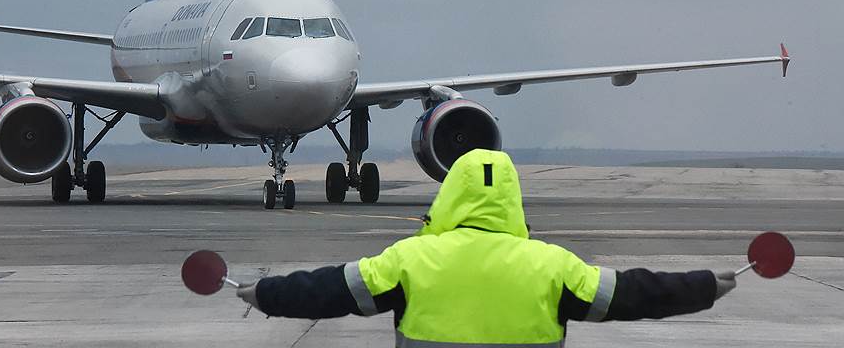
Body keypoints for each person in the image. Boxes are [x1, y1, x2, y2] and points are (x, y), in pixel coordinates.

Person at [237, 148, 737, 347]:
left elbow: (326, 291)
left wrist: (263, 293)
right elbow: (636, 294)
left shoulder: (411, 260)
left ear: (450, 194)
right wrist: (705, 286)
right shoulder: (552, 266)